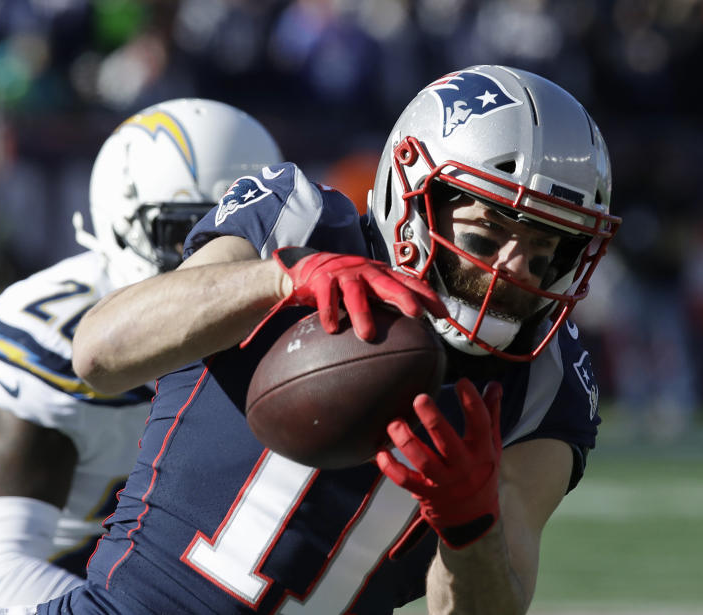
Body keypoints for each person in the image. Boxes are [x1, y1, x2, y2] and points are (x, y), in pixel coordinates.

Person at [38, 65, 621, 615]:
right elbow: (99, 353)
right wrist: (276, 278)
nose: (513, 268)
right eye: (486, 233)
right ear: (412, 193)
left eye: (547, 248)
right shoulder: (299, 219)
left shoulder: (550, 378)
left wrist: (470, 527)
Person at [0, 99, 283, 615]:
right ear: (121, 224)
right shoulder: (55, 334)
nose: (214, 262)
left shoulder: (280, 315)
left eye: (237, 236)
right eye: (185, 236)